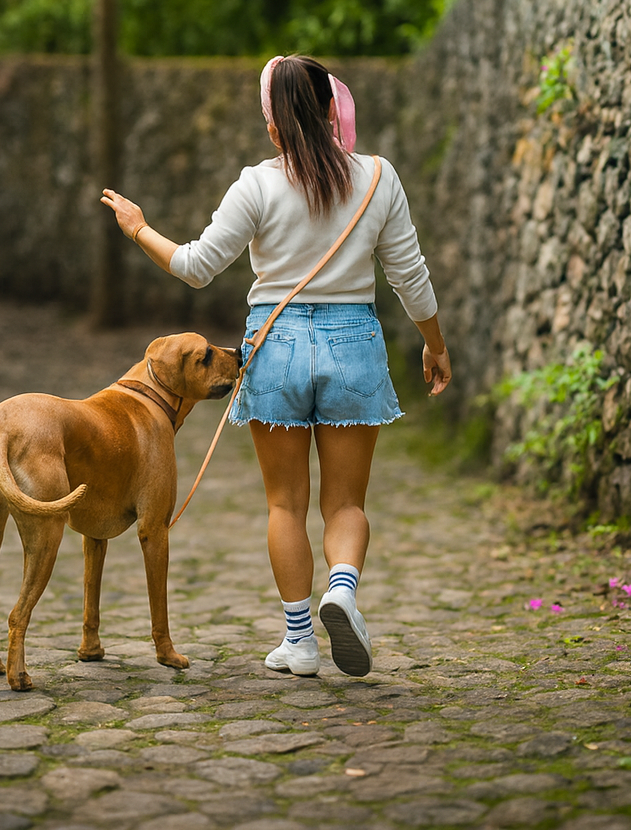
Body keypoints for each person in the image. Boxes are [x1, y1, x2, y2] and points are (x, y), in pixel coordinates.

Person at [101, 54, 450, 677]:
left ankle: (300, 642)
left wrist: (138, 227)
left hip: (276, 345)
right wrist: (435, 343)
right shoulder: (377, 177)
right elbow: (410, 275)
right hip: (353, 346)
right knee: (346, 505)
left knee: (284, 504)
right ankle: (341, 591)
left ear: (272, 126)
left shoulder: (256, 185)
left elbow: (194, 265)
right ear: (329, 109)